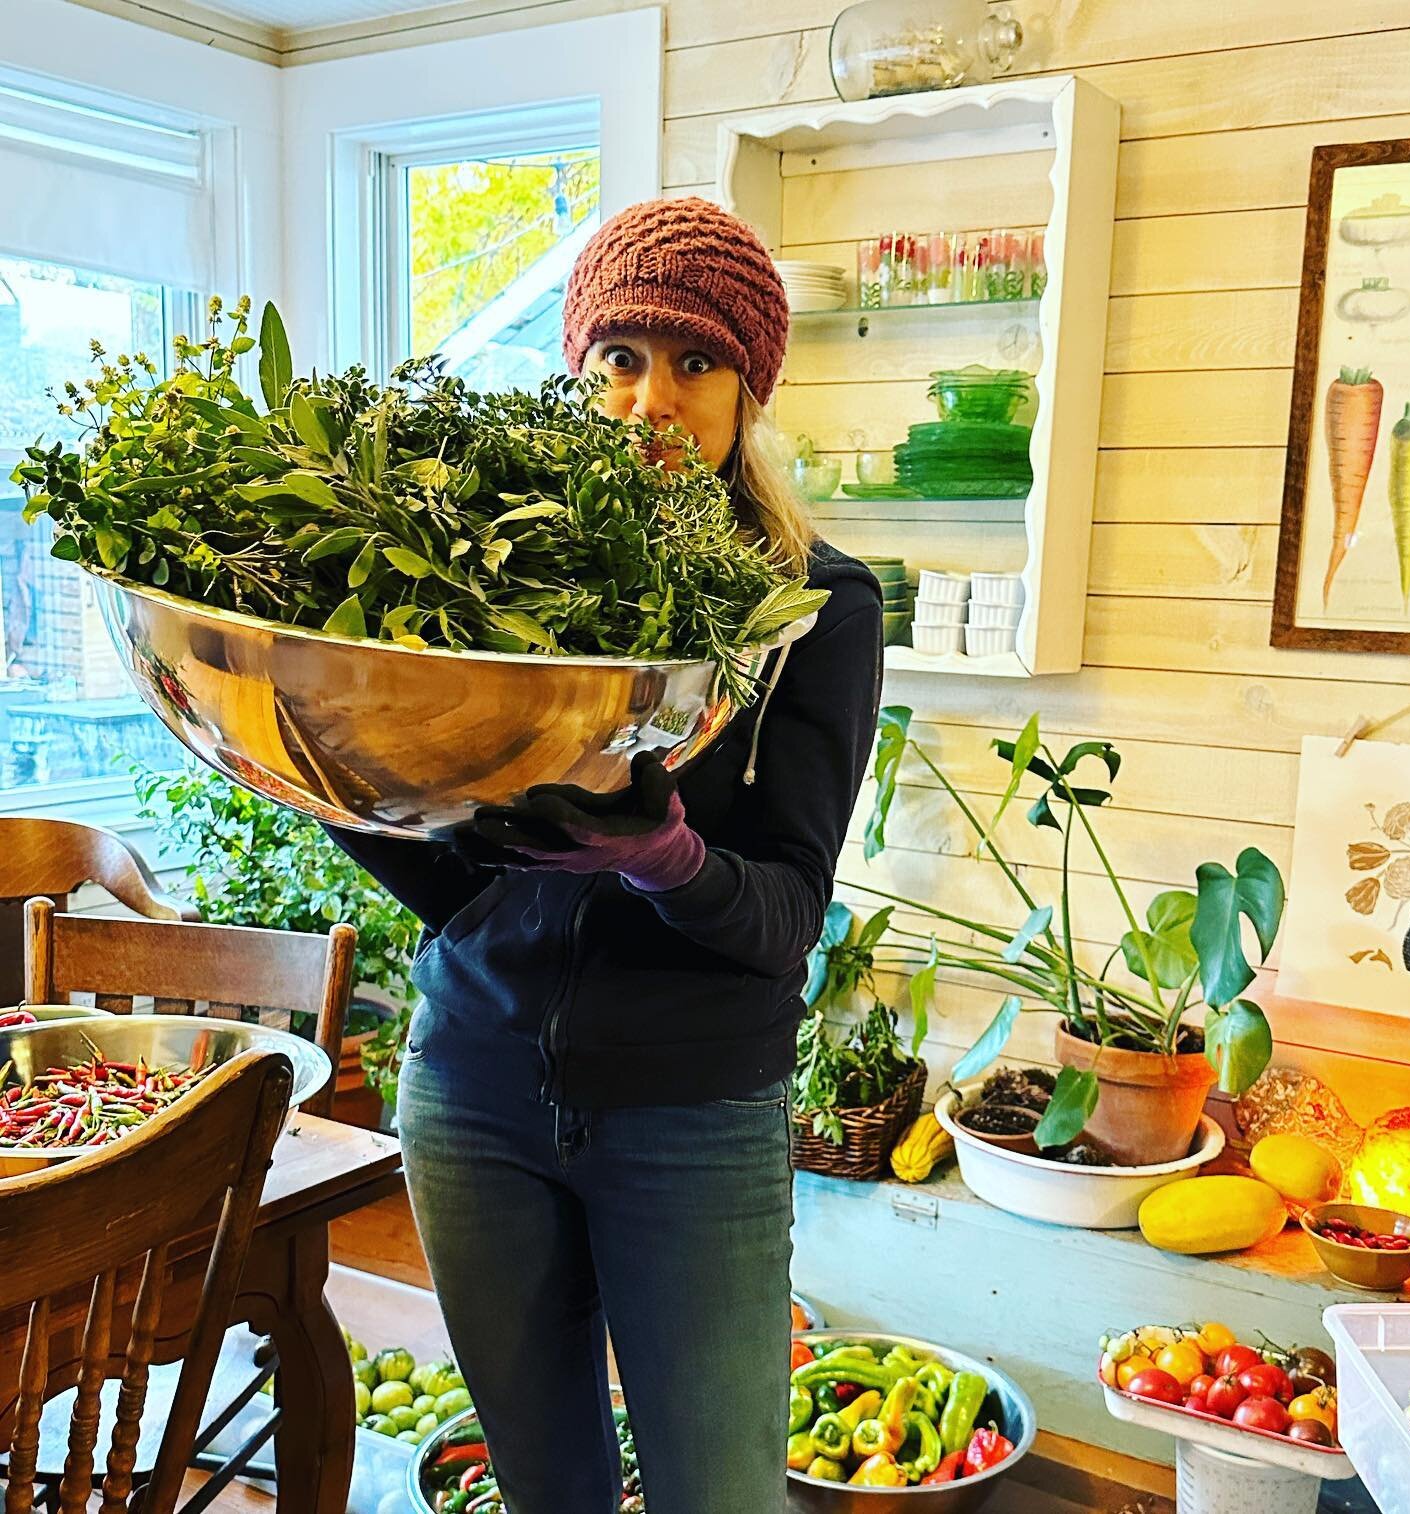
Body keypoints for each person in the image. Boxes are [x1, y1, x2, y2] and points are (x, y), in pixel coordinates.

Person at [328, 197, 882, 1514]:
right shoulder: (499, 586)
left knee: (719, 1495)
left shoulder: (813, 607)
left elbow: (783, 920)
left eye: (695, 362)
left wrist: (664, 854)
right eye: (618, 359)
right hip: (472, 1095)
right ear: (578, 376)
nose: (652, 400)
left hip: (692, 1116)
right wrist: (342, 787)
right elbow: (467, 895)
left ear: (750, 388)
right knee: (549, 1491)